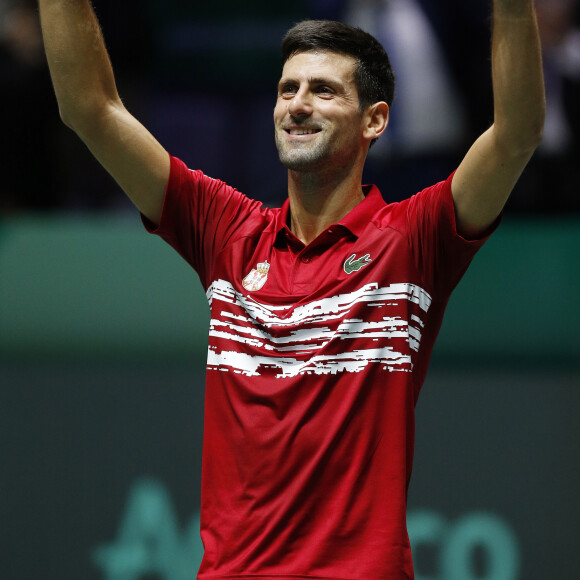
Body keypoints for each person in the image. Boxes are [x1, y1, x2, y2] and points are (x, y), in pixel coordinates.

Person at [37, 1, 545, 578]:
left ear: (374, 120)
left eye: (324, 91)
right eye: (287, 89)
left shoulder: (413, 239)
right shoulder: (226, 231)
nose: (298, 105)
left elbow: (515, 135)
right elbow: (91, 110)